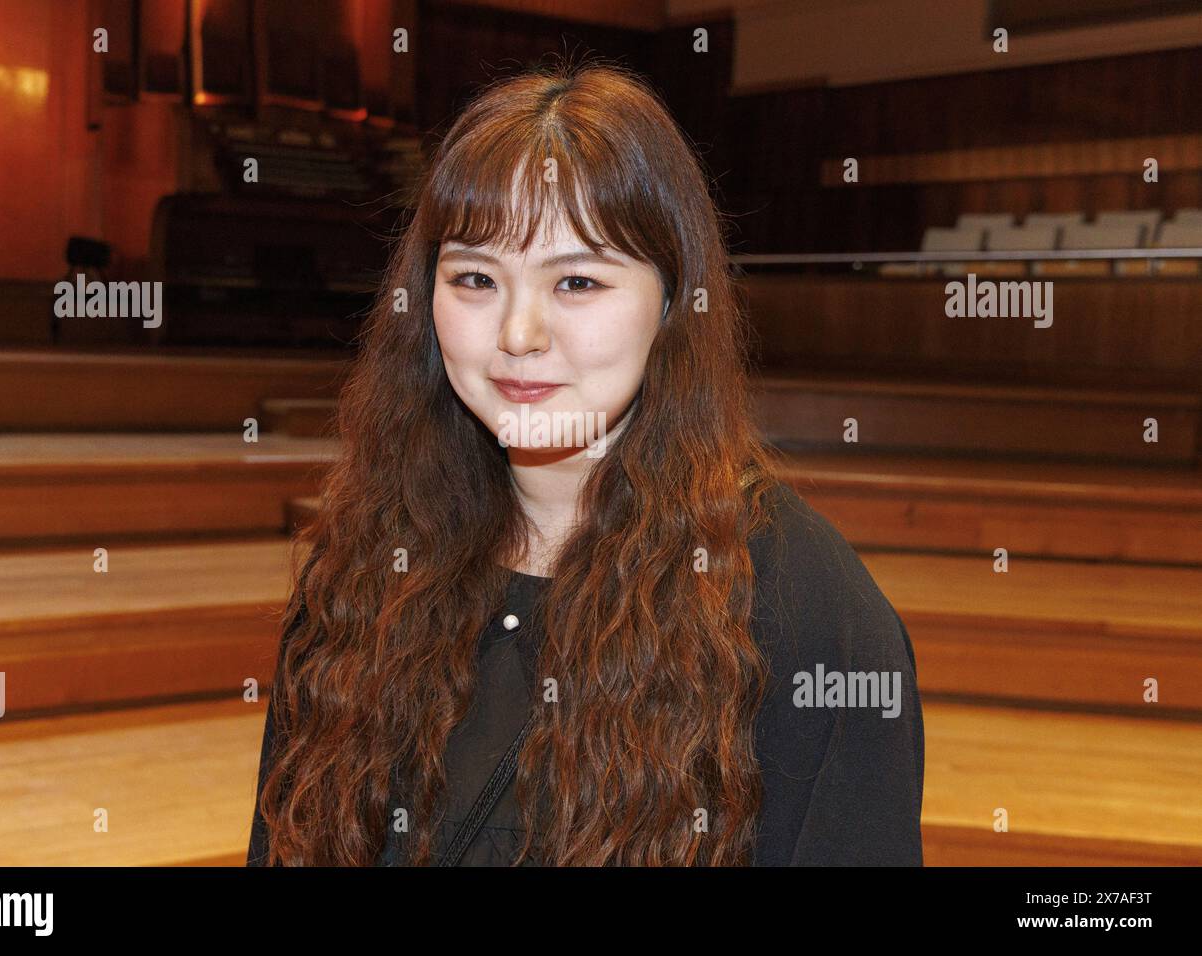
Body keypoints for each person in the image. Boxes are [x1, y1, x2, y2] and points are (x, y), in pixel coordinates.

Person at [247, 61, 923, 866]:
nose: (519, 333)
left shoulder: (800, 599)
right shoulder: (363, 565)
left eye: (575, 280)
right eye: (473, 278)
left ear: (672, 301)